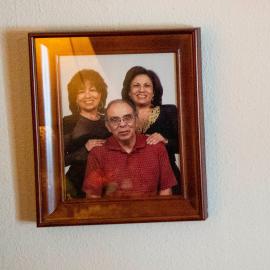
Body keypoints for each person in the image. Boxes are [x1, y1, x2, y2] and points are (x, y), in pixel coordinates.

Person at [83, 99, 177, 198]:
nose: (122, 124)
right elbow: (92, 196)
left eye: (127, 118)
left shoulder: (157, 147)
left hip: (151, 212)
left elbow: (165, 190)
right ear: (108, 126)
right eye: (115, 120)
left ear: (136, 120)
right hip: (113, 212)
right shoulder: (97, 153)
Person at [122, 66, 181, 195]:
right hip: (132, 183)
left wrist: (165, 140)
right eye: (136, 85)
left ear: (154, 92)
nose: (141, 90)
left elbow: (187, 147)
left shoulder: (169, 111)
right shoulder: (120, 117)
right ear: (129, 92)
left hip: (167, 180)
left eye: (147, 86)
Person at [61, 69, 111, 198]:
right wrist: (85, 149)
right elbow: (59, 161)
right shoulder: (68, 122)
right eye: (81, 92)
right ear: (75, 98)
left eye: (93, 90)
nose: (88, 95)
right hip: (77, 186)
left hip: (110, 184)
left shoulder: (110, 117)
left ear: (100, 93)